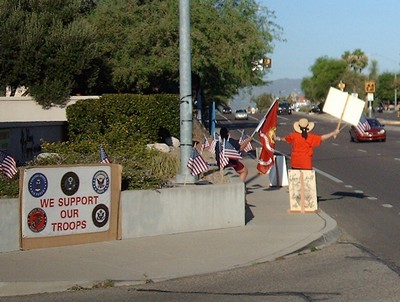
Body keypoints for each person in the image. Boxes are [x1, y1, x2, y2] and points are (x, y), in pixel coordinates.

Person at [275, 118, 339, 170]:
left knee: (296, 182)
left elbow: (285, 139)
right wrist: (333, 133)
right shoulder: (310, 137)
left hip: (295, 162)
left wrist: (279, 138)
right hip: (306, 163)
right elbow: (322, 138)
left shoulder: (294, 136)